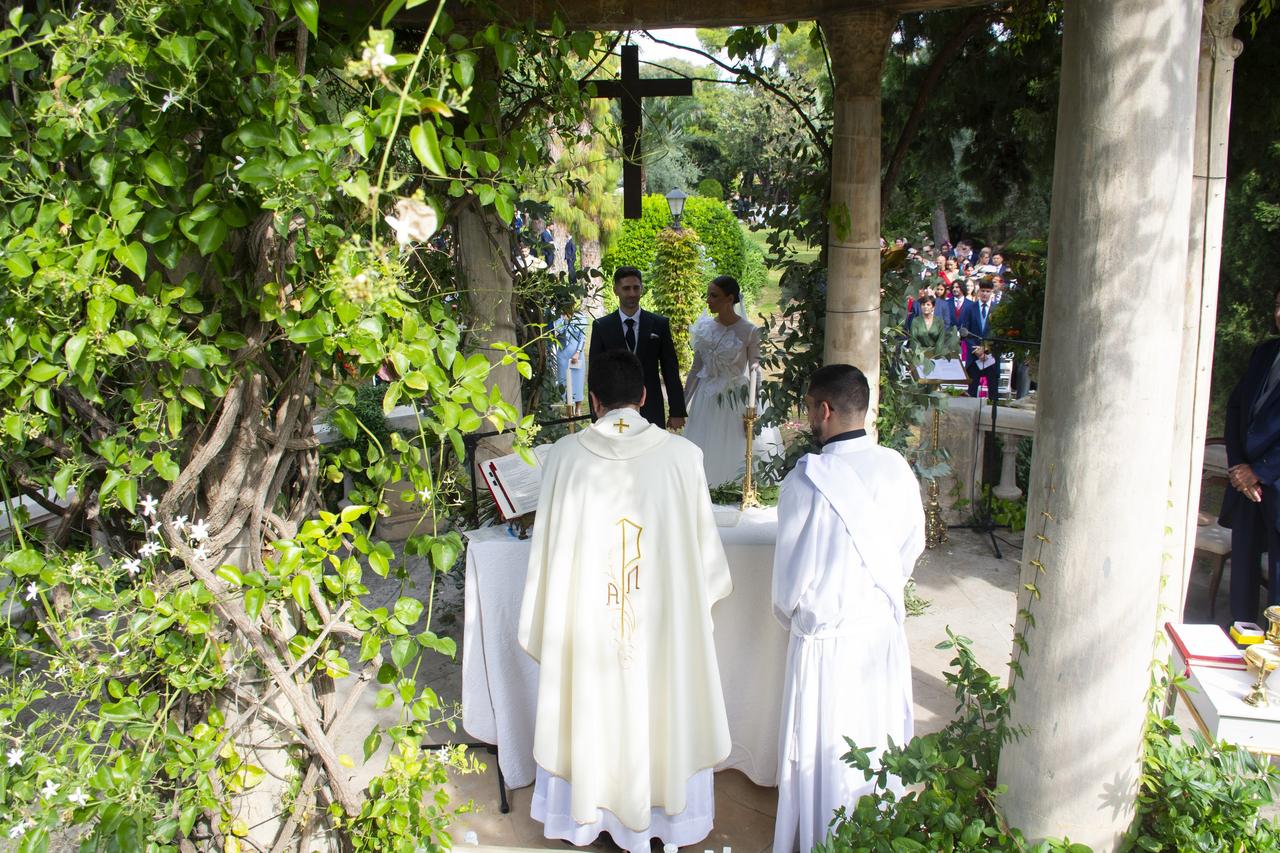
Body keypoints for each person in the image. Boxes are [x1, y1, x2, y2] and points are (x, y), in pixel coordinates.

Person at [519, 350, 732, 852]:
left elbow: (548, 557)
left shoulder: (565, 457)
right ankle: (667, 821)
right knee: (664, 700)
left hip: (588, 633)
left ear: (593, 400)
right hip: (661, 633)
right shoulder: (684, 457)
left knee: (590, 702)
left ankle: (587, 818)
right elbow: (708, 569)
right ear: (643, 398)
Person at [771, 364, 924, 853]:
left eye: (811, 409)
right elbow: (910, 547)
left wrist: (793, 618)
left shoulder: (806, 483)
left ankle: (821, 839)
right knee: (872, 742)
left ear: (825, 409)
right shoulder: (897, 468)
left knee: (825, 755)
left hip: (826, 649)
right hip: (878, 638)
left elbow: (789, 584)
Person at [1220, 287, 1280, 621]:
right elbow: (1236, 407)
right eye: (1277, 305)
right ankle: (1238, 644)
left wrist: (1259, 470)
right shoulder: (1264, 353)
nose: (1279, 314)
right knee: (1242, 571)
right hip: (1246, 487)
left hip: (1274, 482)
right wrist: (1238, 466)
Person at [683, 275, 762, 487]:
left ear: (730, 299)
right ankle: (701, 488)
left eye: (714, 295)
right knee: (703, 442)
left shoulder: (749, 331)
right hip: (705, 397)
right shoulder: (704, 327)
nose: (708, 300)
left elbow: (756, 369)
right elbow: (696, 368)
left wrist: (753, 408)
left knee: (731, 443)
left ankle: (733, 487)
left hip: (734, 398)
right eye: (707, 295)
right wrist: (682, 404)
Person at [588, 266, 688, 429]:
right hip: (613, 407)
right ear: (616, 290)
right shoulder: (602, 326)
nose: (632, 293)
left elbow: (670, 369)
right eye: (626, 288)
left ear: (642, 288)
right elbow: (594, 371)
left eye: (636, 288)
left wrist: (677, 411)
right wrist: (595, 413)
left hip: (651, 406)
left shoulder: (659, 324)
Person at [959, 281, 999, 397]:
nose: (985, 294)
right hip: (974, 355)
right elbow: (965, 331)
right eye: (983, 291)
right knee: (972, 390)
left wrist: (986, 348)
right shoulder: (970, 308)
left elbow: (998, 333)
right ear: (978, 291)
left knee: (993, 390)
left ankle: (993, 414)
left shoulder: (997, 309)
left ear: (992, 292)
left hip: (991, 355)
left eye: (988, 291)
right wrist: (977, 350)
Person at [552, 301, 588, 415]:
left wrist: (577, 352)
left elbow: (582, 338)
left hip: (576, 355)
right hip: (562, 355)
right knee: (563, 380)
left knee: (577, 381)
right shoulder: (560, 319)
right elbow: (555, 332)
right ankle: (568, 406)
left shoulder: (581, 319)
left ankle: (578, 408)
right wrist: (562, 318)